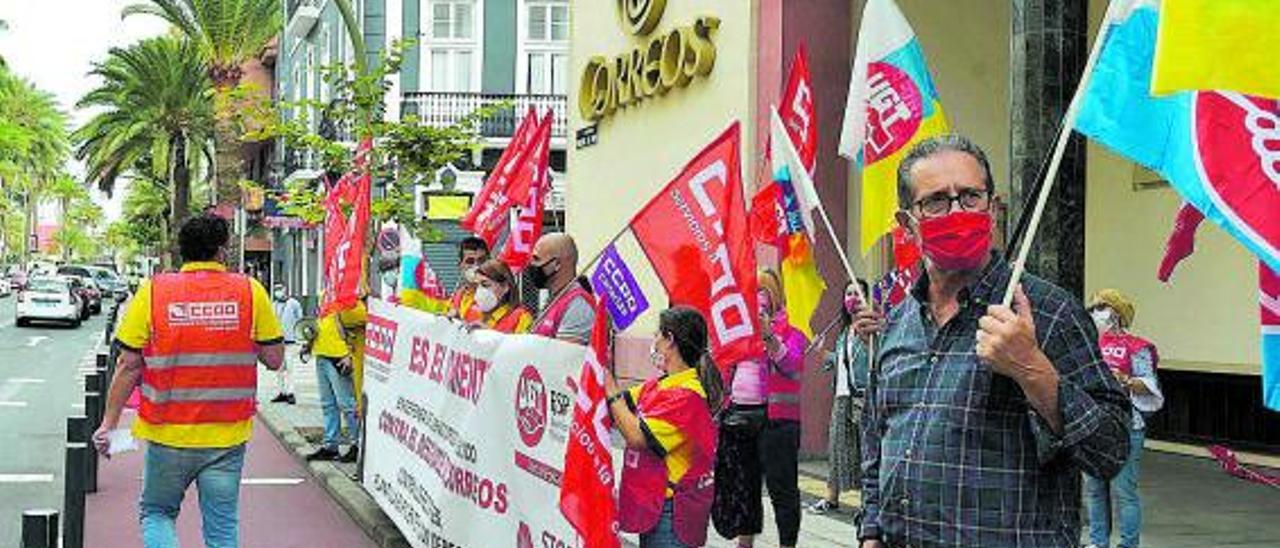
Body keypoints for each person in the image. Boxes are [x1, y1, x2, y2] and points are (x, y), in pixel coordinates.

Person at [855, 135, 1131, 547]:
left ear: (994, 209)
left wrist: (1032, 370)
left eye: (970, 197)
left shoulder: (1048, 313)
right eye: (935, 202)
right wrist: (871, 531)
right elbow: (877, 443)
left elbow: (1109, 450)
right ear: (906, 223)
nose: (956, 211)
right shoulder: (898, 323)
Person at [92, 213, 285, 548]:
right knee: (222, 527)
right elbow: (274, 359)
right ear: (223, 250)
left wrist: (108, 423)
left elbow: (128, 364)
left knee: (157, 513)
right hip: (227, 436)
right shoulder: (250, 292)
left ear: (182, 251)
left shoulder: (153, 292)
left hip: (167, 435)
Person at [605, 306, 723, 548]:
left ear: (670, 340)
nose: (654, 341)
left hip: (671, 515)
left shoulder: (687, 396)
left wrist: (610, 388)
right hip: (651, 506)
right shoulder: (660, 386)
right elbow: (618, 407)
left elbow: (637, 436)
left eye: (658, 334)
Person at [713, 269, 807, 548]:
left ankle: (787, 544)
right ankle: (745, 543)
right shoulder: (739, 331)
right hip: (738, 416)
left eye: (764, 291)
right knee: (745, 487)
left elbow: (793, 368)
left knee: (782, 491)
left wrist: (769, 338)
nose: (758, 298)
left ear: (776, 297)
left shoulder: (792, 333)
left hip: (776, 424)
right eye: (753, 291)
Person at [1084, 289, 1163, 548]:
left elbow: (1150, 386)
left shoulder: (1137, 347)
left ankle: (1129, 544)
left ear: (1116, 313)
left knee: (1124, 492)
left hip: (1128, 427)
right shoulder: (1089, 346)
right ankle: (1098, 542)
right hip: (1093, 426)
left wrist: (1126, 380)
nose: (1095, 312)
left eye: (1101, 307)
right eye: (1094, 307)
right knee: (1095, 490)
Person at [807, 280, 871, 516]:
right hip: (841, 398)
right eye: (848, 293)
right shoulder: (844, 332)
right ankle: (830, 498)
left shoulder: (868, 330)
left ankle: (868, 504)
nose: (851, 297)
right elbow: (839, 361)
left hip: (862, 398)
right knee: (836, 448)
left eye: (856, 293)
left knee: (864, 451)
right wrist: (821, 351)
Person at [304, 298, 367, 463]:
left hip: (339, 356)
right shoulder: (327, 294)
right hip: (322, 352)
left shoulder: (348, 295)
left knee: (346, 403)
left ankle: (357, 444)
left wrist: (349, 353)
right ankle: (330, 445)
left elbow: (361, 320)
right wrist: (311, 344)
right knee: (328, 404)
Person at [528, 233, 595, 344]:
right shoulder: (556, 298)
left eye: (536, 259)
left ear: (557, 264)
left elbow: (564, 357)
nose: (531, 264)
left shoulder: (578, 305)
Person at [468, 259, 534, 334]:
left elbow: (523, 345)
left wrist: (490, 334)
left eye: (485, 285)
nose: (479, 291)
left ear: (505, 287)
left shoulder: (521, 317)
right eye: (476, 285)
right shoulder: (474, 313)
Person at [270, 283, 304, 405]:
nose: (278, 292)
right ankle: (282, 392)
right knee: (279, 368)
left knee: (290, 367)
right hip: (277, 342)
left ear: (286, 290)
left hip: (290, 342)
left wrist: (300, 339)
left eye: (280, 289)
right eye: (276, 289)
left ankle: (291, 393)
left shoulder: (294, 303)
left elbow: (300, 320)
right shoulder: (273, 305)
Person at [448, 236, 490, 322]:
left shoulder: (498, 295)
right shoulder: (457, 296)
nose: (476, 266)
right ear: (461, 266)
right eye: (470, 261)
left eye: (481, 261)